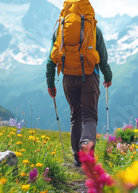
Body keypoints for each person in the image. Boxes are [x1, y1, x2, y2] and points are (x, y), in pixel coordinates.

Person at [45, 9, 112, 167]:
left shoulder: (60, 31)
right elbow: (102, 57)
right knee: (90, 117)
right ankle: (86, 144)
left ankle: (77, 157)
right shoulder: (94, 29)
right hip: (89, 77)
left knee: (75, 115)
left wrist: (50, 83)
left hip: (68, 78)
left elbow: (50, 59)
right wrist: (108, 76)